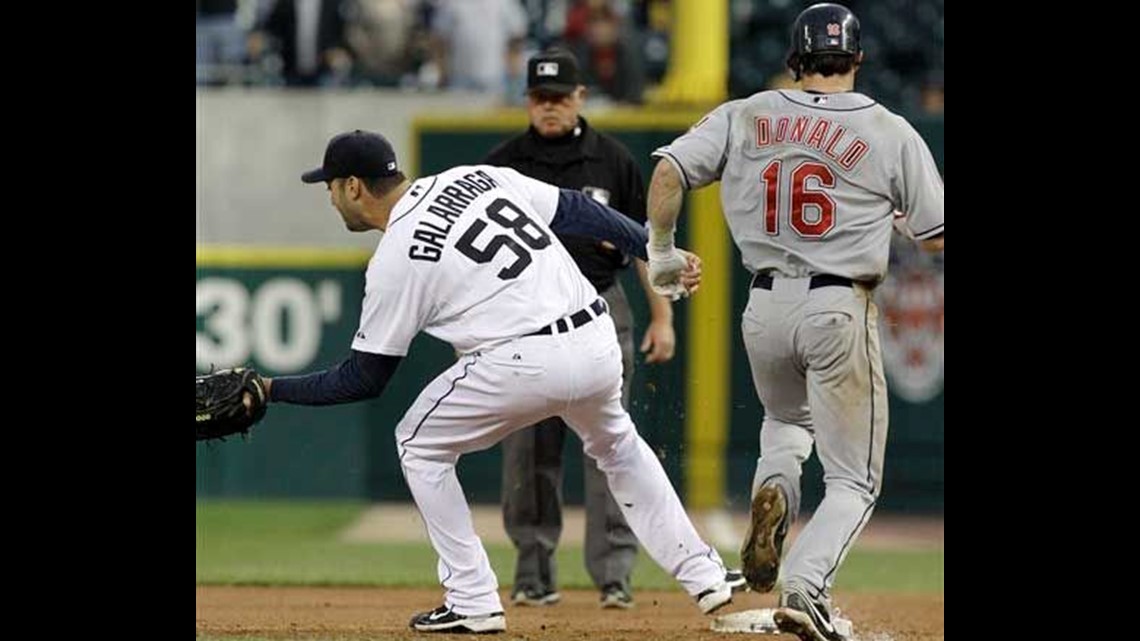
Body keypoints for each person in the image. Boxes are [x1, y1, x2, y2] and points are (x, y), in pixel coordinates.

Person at [251, 129, 741, 633]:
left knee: (418, 446)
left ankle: (472, 598)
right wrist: (653, 246)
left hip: (523, 360)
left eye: (330, 186)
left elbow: (363, 378)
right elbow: (575, 209)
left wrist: (270, 390)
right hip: (595, 339)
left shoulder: (395, 257)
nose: (330, 198)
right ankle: (705, 575)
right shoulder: (474, 177)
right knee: (617, 445)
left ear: (353, 186)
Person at [642, 4, 944, 641]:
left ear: (794, 59)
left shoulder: (746, 113)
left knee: (783, 421)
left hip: (764, 305)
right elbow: (936, 235)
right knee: (854, 480)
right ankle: (805, 589)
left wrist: (663, 254)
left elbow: (668, 170)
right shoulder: (889, 129)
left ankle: (773, 489)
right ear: (857, 60)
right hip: (838, 304)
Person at [483, 47, 694, 610]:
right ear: (527, 101)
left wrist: (664, 315)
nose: (548, 107)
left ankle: (615, 575)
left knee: (612, 447)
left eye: (558, 97)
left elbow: (647, 243)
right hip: (523, 318)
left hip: (602, 307)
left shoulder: (614, 160)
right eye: (539, 98)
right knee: (528, 448)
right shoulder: (500, 165)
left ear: (579, 97)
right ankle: (532, 572)